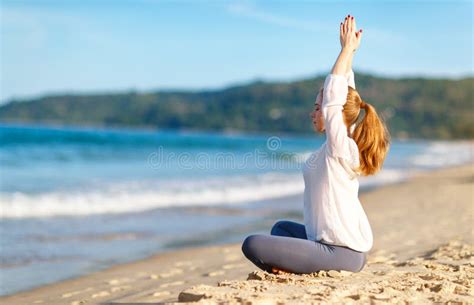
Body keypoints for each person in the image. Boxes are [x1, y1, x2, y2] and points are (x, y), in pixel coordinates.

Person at [241, 14, 391, 274]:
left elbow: (336, 99)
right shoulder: (343, 142)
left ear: (331, 113)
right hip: (326, 243)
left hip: (340, 254)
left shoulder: (339, 147)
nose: (313, 113)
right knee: (281, 229)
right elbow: (345, 96)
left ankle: (294, 267)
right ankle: (294, 263)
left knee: (252, 244)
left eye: (317, 108)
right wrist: (351, 54)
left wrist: (344, 50)